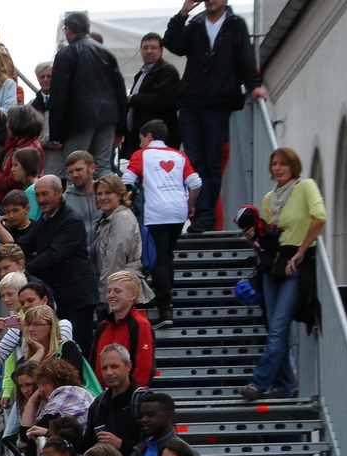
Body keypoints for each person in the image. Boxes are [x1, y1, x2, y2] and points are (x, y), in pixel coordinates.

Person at [164, 0, 265, 233]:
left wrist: (253, 85)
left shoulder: (235, 24)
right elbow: (174, 44)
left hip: (218, 101)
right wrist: (183, 13)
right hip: (191, 101)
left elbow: (245, 57)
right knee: (195, 160)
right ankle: (202, 214)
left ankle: (206, 214)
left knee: (212, 160)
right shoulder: (197, 23)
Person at [238, 148, 326, 402]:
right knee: (274, 329)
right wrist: (254, 237)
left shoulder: (305, 186)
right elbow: (271, 236)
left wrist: (301, 252)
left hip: (295, 263)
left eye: (283, 163)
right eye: (274, 163)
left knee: (278, 328)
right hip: (273, 265)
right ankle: (285, 384)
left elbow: (320, 218)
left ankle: (259, 382)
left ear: (293, 166)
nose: (277, 168)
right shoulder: (269, 198)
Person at [121, 121, 200, 330]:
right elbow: (195, 182)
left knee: (158, 259)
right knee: (167, 255)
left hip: (156, 212)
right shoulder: (179, 156)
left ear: (148, 136)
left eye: (140, 139)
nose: (140, 143)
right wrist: (190, 206)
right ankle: (168, 296)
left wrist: (130, 200)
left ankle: (165, 307)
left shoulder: (142, 155)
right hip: (178, 211)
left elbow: (127, 180)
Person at [17, 176, 100, 343]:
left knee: (77, 349)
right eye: (38, 195)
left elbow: (54, 255)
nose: (41, 199)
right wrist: (9, 256)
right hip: (59, 297)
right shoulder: (44, 220)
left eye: (45, 194)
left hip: (78, 299)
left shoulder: (72, 221)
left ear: (59, 192)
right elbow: (24, 245)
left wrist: (23, 272)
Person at [45, 12, 125, 178]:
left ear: (67, 30)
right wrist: (121, 127)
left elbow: (59, 96)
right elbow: (120, 91)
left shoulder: (66, 55)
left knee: (75, 169)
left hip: (79, 120)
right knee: (102, 167)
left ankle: (77, 204)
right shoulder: (106, 53)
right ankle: (111, 203)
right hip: (108, 116)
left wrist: (56, 133)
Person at [92, 175, 151, 304]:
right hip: (116, 291)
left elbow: (114, 260)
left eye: (108, 193)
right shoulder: (108, 218)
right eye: (99, 193)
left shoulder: (121, 218)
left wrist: (104, 297)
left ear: (119, 195)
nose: (102, 197)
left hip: (120, 294)